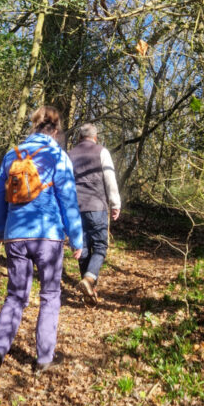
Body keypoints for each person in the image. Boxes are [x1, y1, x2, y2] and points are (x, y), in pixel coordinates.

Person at [0, 106, 83, 386]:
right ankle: (43, 359)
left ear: (34, 126)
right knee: (49, 295)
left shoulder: (13, 154)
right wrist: (77, 237)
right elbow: (69, 200)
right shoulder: (58, 156)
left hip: (15, 234)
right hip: (47, 235)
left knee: (15, 296)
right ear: (56, 131)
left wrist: (0, 229)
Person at [68, 123, 121, 305]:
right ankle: (89, 279)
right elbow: (110, 178)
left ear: (79, 138)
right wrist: (115, 204)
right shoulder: (101, 152)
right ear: (95, 137)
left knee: (81, 249)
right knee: (99, 246)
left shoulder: (69, 155)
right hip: (96, 206)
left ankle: (89, 291)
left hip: (74, 209)